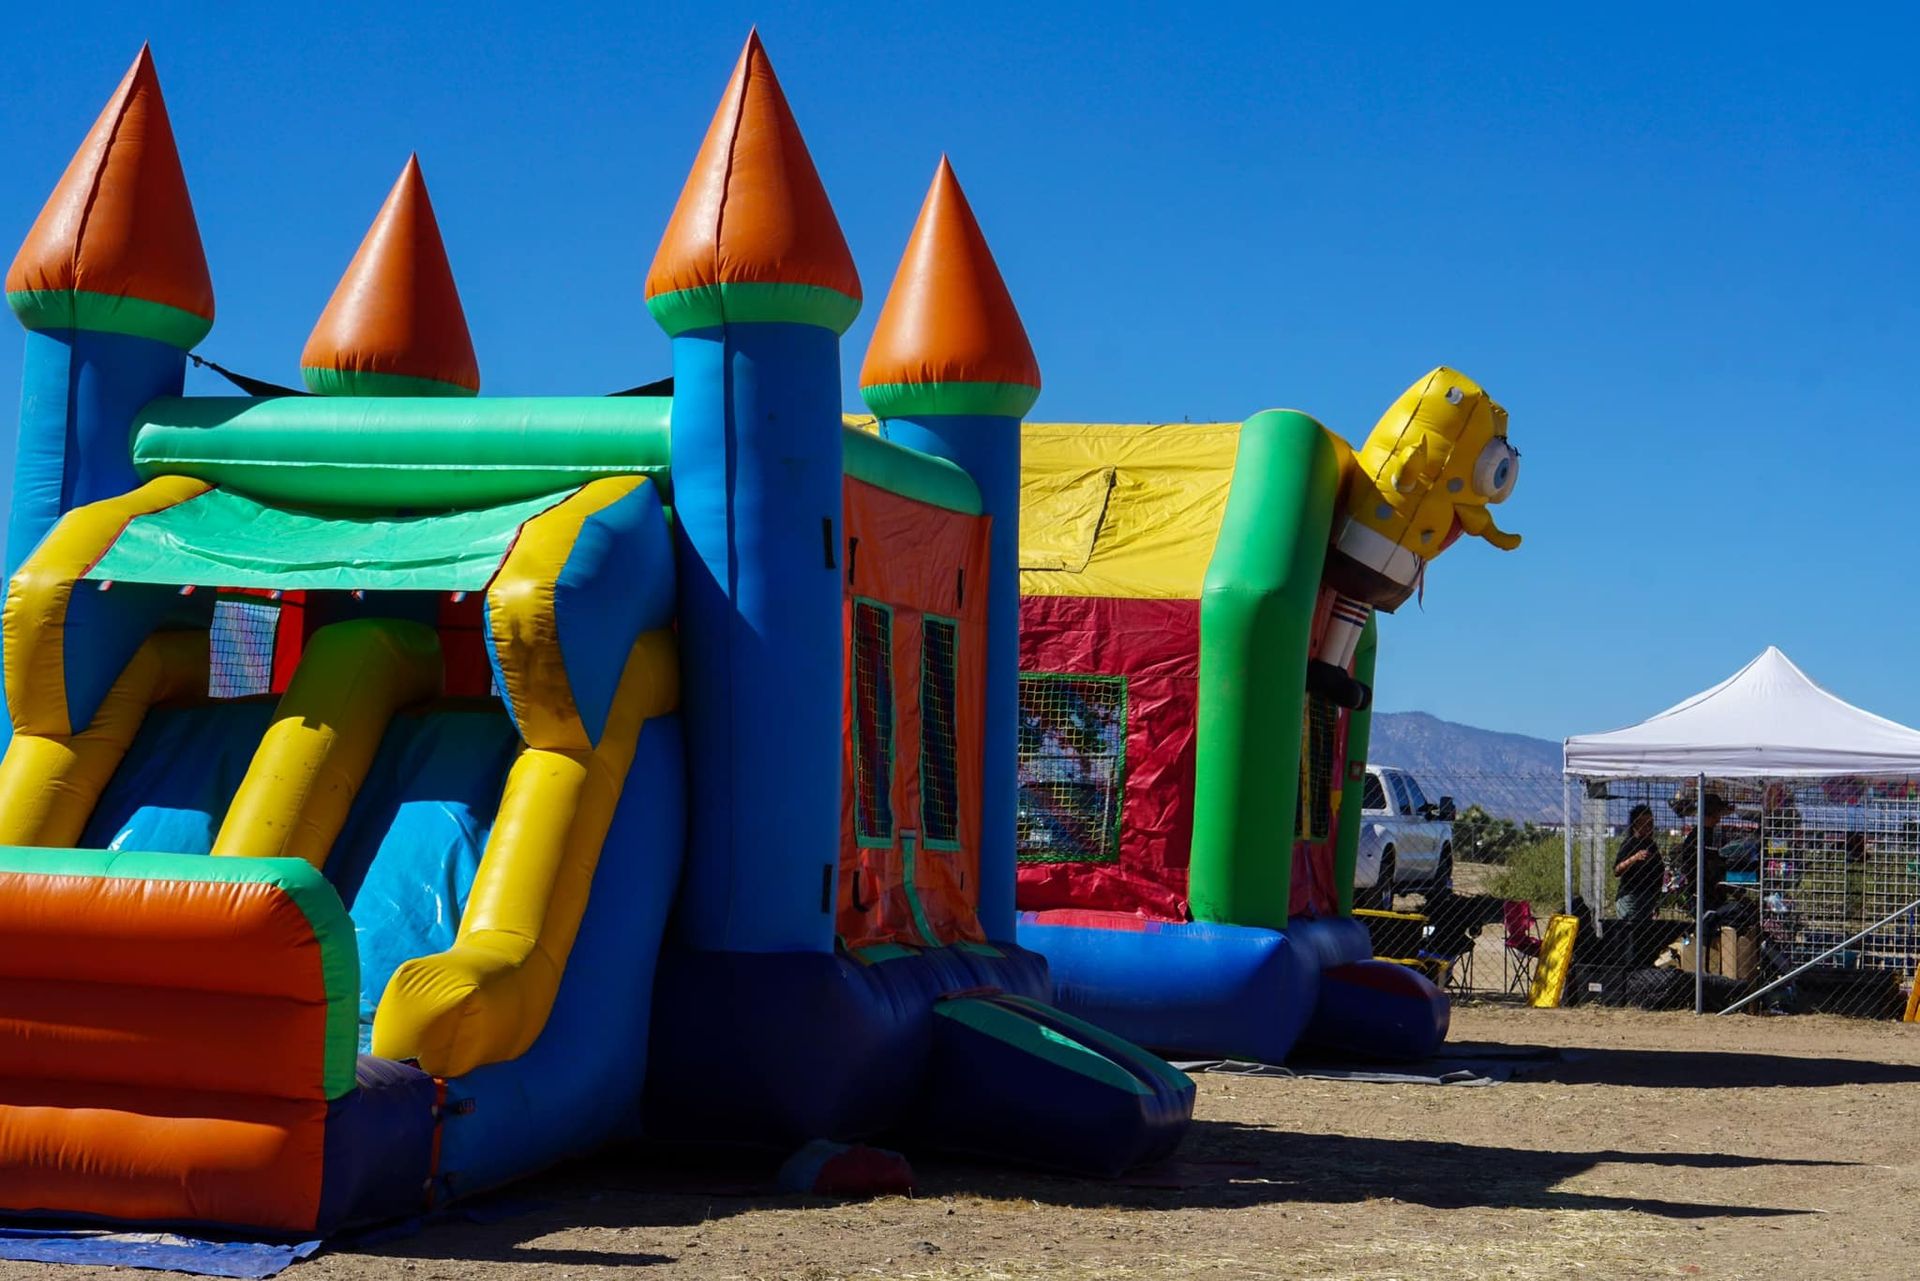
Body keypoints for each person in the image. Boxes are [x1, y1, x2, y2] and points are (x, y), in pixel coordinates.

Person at [1613, 804, 1663, 965]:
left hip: (1648, 898)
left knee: (1643, 936)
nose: (1649, 827)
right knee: (1630, 935)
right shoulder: (1630, 844)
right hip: (1631, 897)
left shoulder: (1651, 845)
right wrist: (1634, 858)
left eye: (1651, 823)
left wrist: (1656, 900)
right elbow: (1617, 870)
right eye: (1645, 823)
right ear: (1636, 824)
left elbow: (1658, 872)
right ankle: (1628, 970)